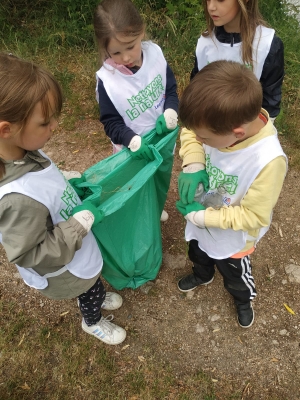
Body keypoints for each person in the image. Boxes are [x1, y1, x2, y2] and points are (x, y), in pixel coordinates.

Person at [0, 53, 126, 345]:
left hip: (73, 248)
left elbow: (41, 180)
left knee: (92, 281)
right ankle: (91, 321)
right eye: (45, 122)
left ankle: (92, 294)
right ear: (6, 129)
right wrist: (77, 226)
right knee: (89, 285)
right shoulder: (16, 200)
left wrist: (63, 180)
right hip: (64, 267)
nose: (55, 126)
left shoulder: (21, 151)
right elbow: (32, 254)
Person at [176, 60, 287, 328]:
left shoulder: (268, 161)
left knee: (234, 272)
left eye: (206, 140)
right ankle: (203, 274)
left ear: (236, 134)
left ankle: (242, 298)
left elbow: (254, 216)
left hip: (232, 235)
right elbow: (191, 131)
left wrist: (204, 218)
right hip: (202, 216)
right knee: (199, 251)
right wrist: (194, 163)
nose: (200, 141)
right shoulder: (217, 124)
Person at [93, 0, 179, 222]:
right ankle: (140, 218)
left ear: (141, 32)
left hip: (163, 140)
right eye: (116, 52)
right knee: (135, 187)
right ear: (105, 49)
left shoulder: (155, 56)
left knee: (160, 177)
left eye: (131, 46)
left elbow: (169, 88)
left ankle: (156, 206)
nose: (126, 58)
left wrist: (171, 110)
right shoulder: (108, 81)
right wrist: (131, 140)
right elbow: (111, 122)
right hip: (132, 150)